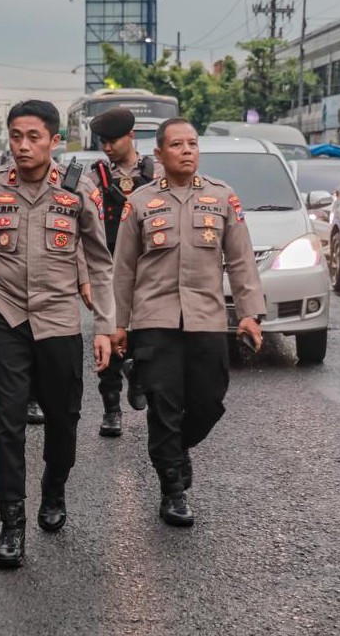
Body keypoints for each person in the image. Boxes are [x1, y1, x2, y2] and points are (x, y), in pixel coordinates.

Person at [0, 99, 114, 569]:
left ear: (53, 141)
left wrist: (105, 326)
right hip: (6, 318)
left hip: (60, 320)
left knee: (64, 421)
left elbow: (101, 262)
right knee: (7, 423)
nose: (23, 146)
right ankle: (11, 524)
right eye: (16, 137)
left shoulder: (76, 190)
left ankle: (54, 488)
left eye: (34, 138)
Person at [111, 118, 264, 528]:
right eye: (177, 145)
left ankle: (176, 450)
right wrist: (118, 324)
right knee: (163, 406)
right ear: (159, 154)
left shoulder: (221, 197)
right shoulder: (140, 202)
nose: (187, 151)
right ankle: (173, 490)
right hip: (154, 319)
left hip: (206, 319)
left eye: (192, 144)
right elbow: (123, 268)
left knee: (209, 401)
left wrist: (249, 313)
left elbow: (241, 259)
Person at [84, 108, 160, 437]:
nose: (108, 147)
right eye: (103, 141)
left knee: (146, 332)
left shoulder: (154, 172)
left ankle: (139, 376)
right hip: (109, 263)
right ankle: (111, 409)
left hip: (149, 262)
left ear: (131, 136)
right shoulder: (94, 173)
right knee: (111, 331)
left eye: (113, 140)